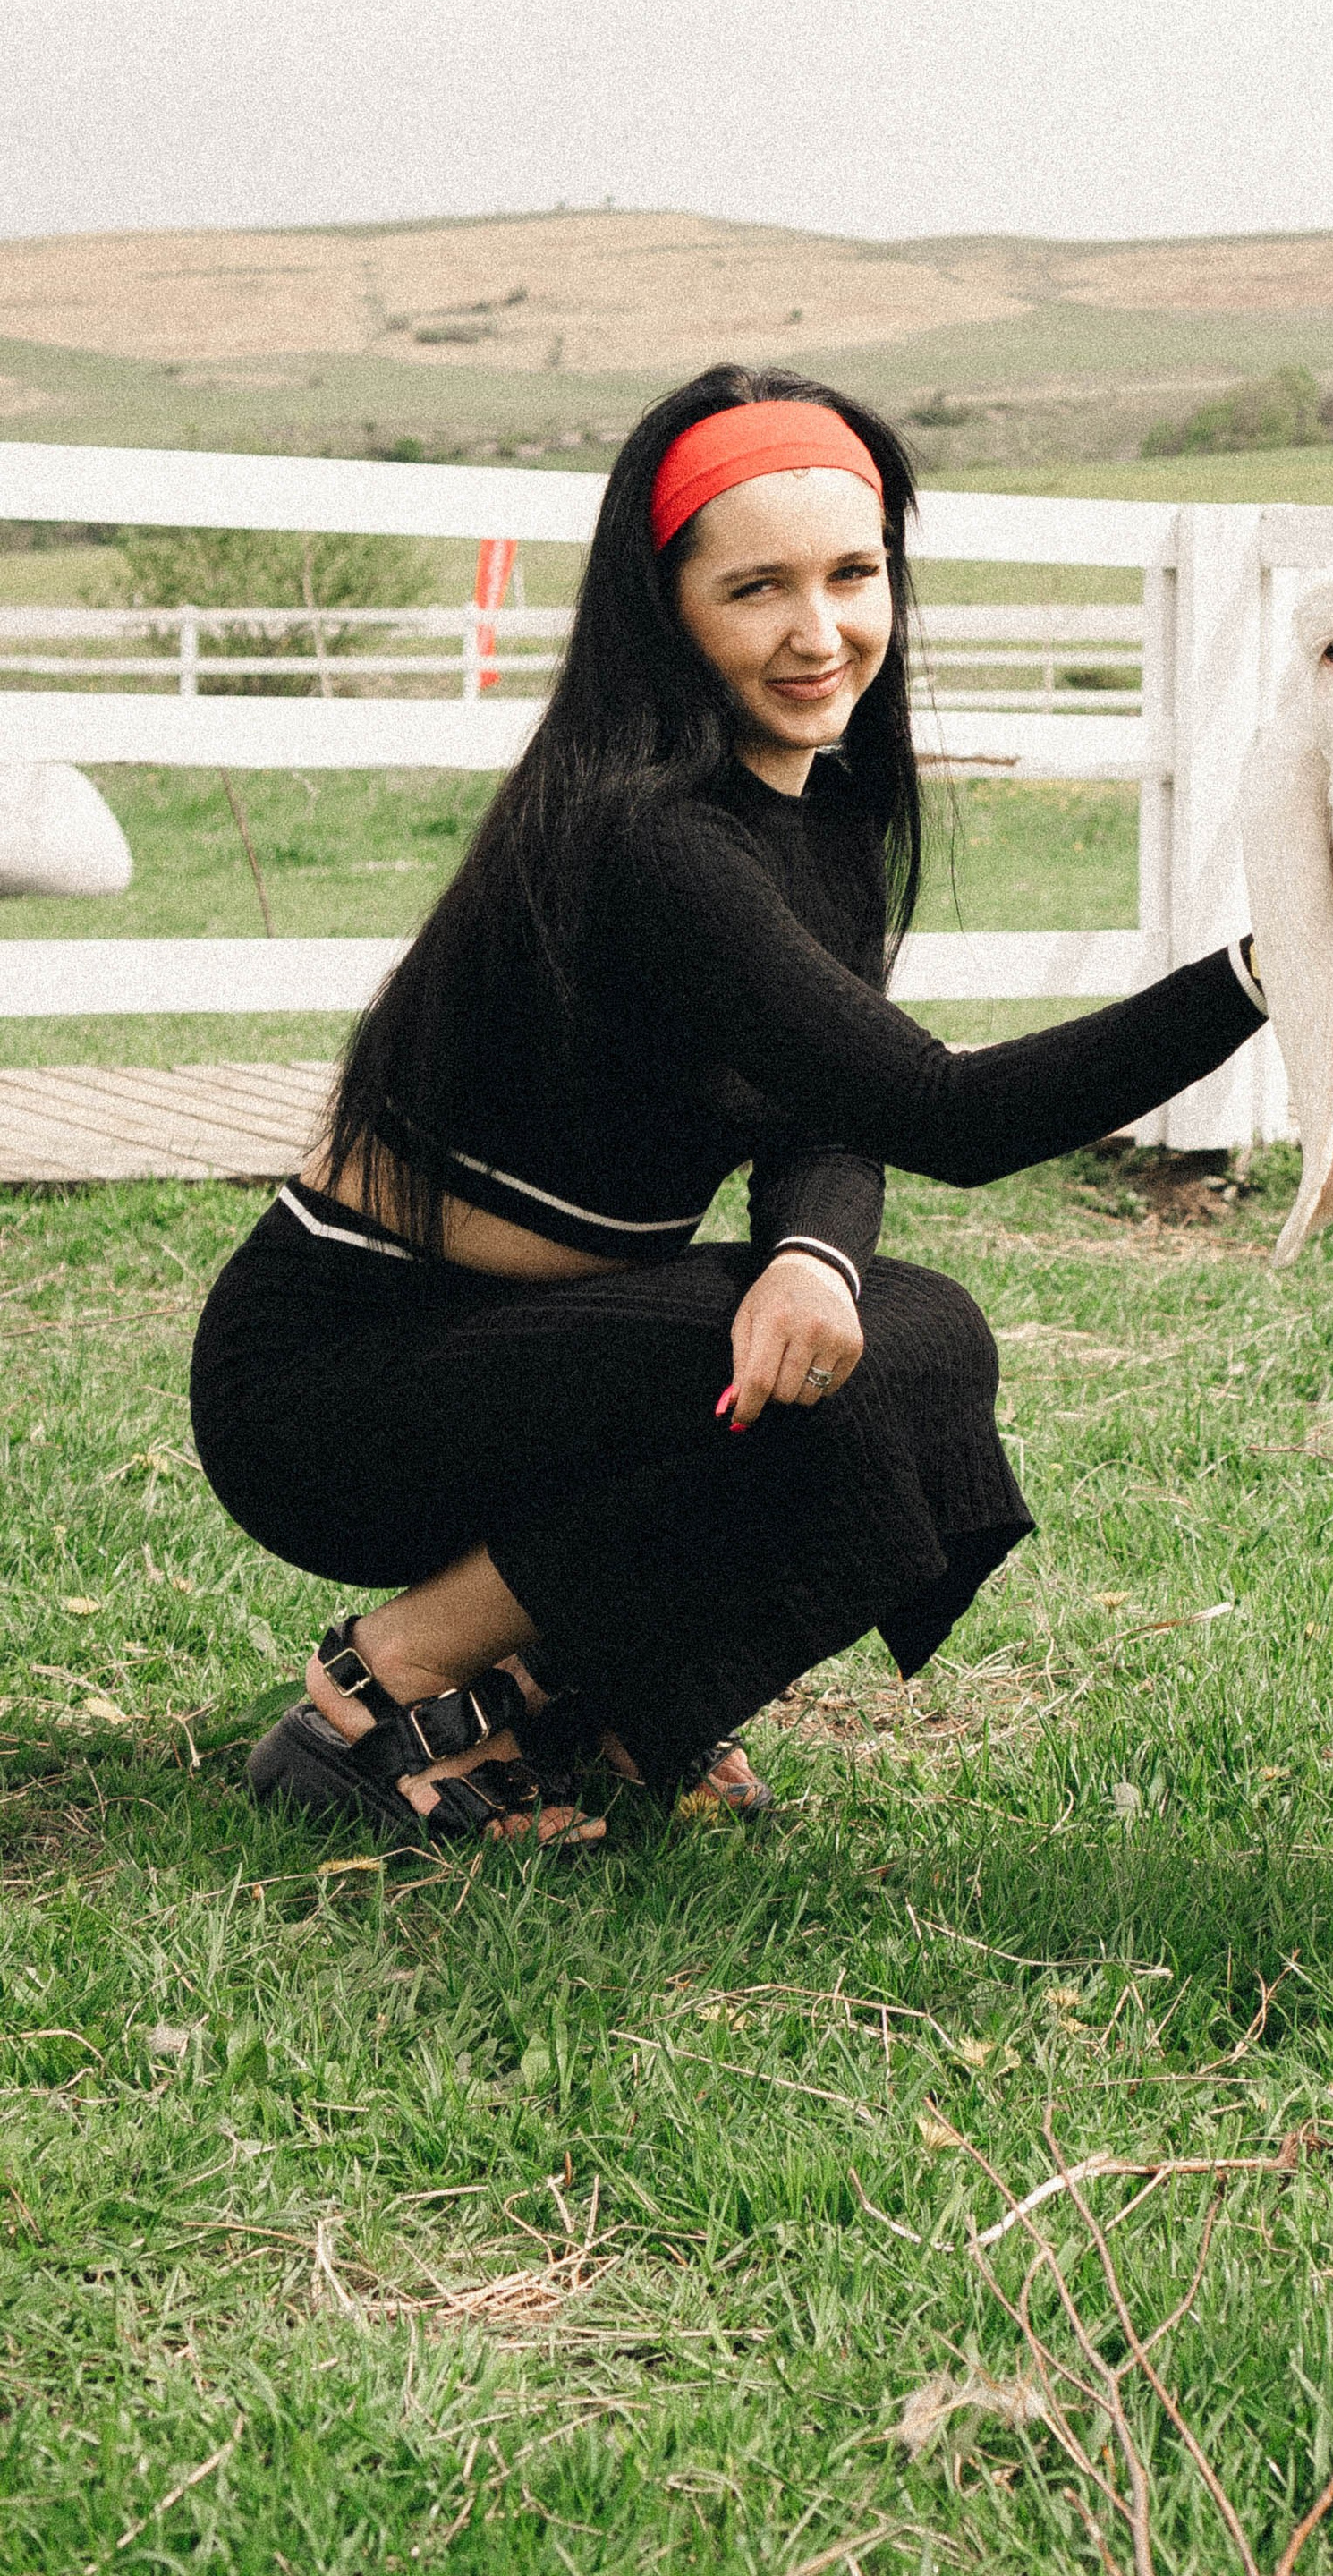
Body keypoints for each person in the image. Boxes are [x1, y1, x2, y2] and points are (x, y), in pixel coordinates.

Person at [189, 370, 1267, 1848]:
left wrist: (812, 1256)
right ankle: (385, 1692)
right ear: (666, 605)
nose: (819, 633)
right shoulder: (652, 839)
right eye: (755, 586)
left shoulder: (821, 817)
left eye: (853, 573)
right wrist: (1269, 976)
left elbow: (829, 1111)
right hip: (340, 1386)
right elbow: (940, 1112)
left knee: (901, 1338)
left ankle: (600, 1709)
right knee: (890, 1345)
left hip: (540, 1364)